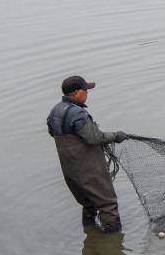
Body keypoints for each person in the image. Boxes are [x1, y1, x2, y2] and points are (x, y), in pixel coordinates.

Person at [47, 76, 129, 232]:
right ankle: (113, 242)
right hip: (89, 170)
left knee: (88, 204)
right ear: (77, 92)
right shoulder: (78, 113)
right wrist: (116, 136)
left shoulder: (55, 110)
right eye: (85, 90)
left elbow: (52, 132)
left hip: (70, 171)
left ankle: (91, 236)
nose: (87, 93)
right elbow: (94, 138)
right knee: (108, 204)